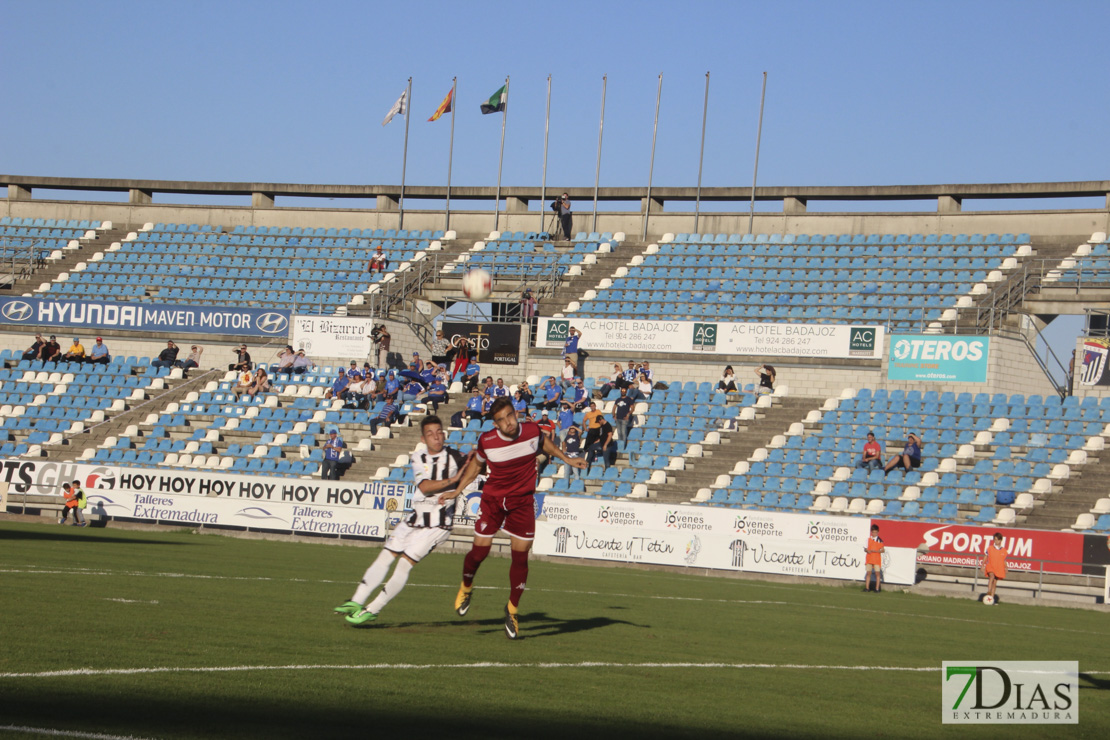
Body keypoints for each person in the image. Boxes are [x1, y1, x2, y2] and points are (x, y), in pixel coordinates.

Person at [439, 396, 587, 640]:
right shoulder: (487, 441)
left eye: (510, 415)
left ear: (516, 412)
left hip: (521, 503)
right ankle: (466, 587)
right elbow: (476, 466)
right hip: (493, 501)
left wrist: (567, 459)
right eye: (501, 420)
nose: (508, 422)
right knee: (479, 553)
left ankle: (512, 609)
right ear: (495, 424)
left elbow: (545, 443)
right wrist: (457, 491)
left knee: (520, 558)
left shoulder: (531, 430)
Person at [337, 417, 470, 625]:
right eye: (430, 433)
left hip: (438, 523)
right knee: (385, 556)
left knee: (403, 564)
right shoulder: (418, 456)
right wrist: (453, 481)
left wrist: (474, 462)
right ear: (423, 438)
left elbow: (477, 463)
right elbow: (425, 487)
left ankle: (373, 609)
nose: (436, 436)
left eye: (439, 432)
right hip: (415, 517)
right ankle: (356, 600)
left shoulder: (456, 457)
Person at [982, 532, 1008, 604]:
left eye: (997, 540)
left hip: (998, 568)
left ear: (1000, 540)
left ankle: (991, 599)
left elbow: (1004, 560)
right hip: (991, 566)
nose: (995, 541)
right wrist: (983, 565)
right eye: (995, 540)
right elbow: (986, 556)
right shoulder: (990, 548)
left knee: (995, 582)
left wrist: (1006, 567)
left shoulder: (1004, 550)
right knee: (991, 576)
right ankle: (989, 591)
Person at [863, 524, 884, 592]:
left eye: (875, 532)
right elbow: (865, 548)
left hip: (876, 559)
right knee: (868, 573)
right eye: (873, 532)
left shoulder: (879, 540)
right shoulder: (868, 539)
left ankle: (877, 588)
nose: (874, 533)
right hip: (869, 558)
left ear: (878, 532)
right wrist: (867, 551)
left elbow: (883, 550)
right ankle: (867, 588)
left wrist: (877, 551)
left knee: (877, 573)